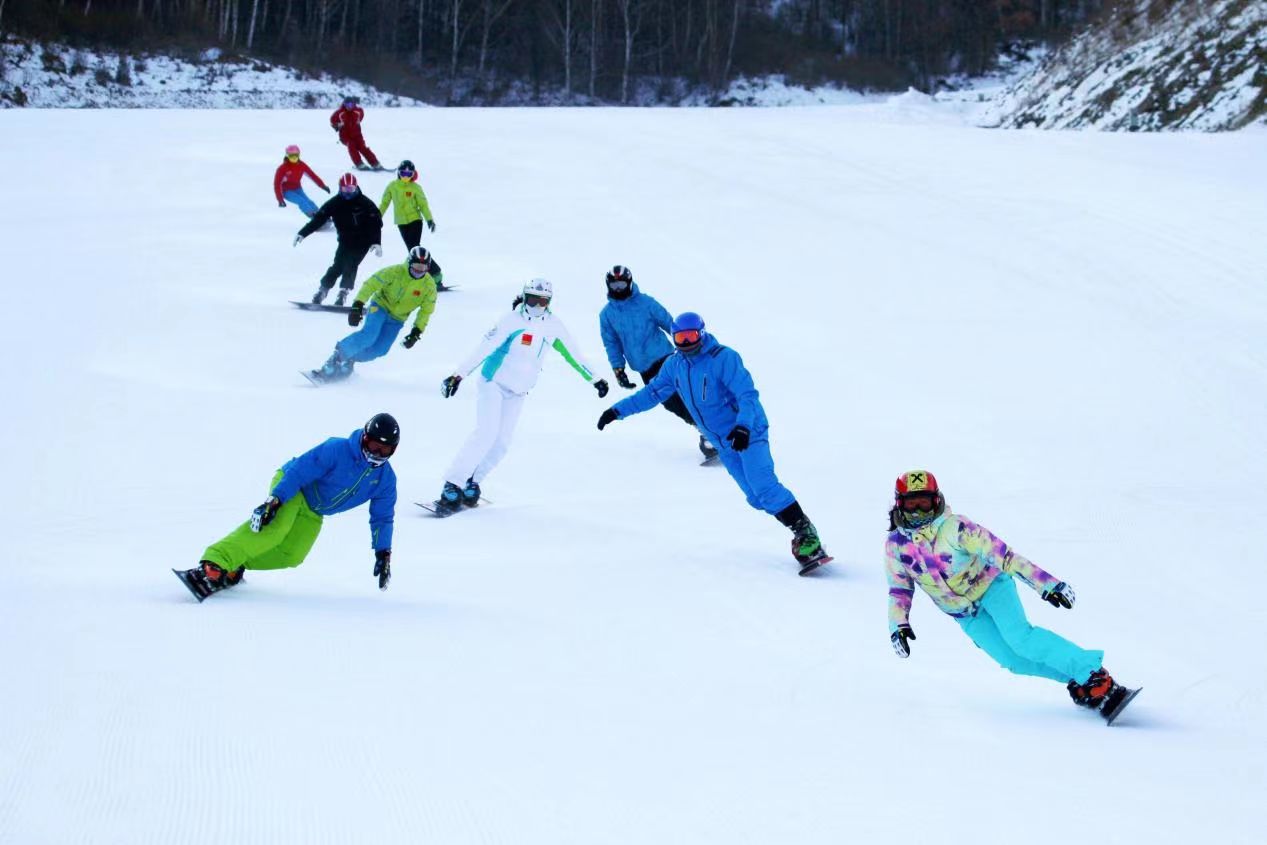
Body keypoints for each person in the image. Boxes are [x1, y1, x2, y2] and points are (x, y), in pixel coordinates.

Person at [884, 470, 1137, 722]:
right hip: (964, 613)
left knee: (1021, 639)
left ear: (936, 501)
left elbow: (1003, 556)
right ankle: (1080, 682)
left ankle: (1094, 675)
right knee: (1012, 660)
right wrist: (899, 625)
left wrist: (1047, 585)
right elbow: (899, 589)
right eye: (912, 505)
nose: (918, 512)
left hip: (993, 588)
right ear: (899, 505)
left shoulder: (956, 528)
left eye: (924, 504)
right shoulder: (896, 546)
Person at [596, 312, 829, 575]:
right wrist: (617, 411)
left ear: (702, 333)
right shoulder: (674, 366)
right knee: (755, 497)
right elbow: (652, 393)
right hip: (724, 442)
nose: (686, 343)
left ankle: (807, 534)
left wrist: (743, 426)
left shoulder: (723, 358)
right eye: (680, 338)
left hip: (748, 431)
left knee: (764, 486)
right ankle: (799, 533)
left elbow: (747, 395)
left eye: (691, 336)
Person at [173, 414, 400, 601]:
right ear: (364, 438)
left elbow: (383, 518)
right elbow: (300, 471)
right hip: (293, 488)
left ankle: (234, 565)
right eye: (372, 445)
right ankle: (213, 564)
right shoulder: (337, 449)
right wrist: (275, 501)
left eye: (384, 450)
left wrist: (383, 552)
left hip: (314, 511)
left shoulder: (385, 480)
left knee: (292, 555)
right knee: (276, 529)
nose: (376, 453)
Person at [433, 278, 609, 515]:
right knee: (486, 433)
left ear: (549, 302)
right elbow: (483, 348)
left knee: (502, 443)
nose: (536, 306)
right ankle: (452, 483)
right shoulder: (510, 321)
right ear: (525, 298)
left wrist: (595, 379)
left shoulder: (553, 326)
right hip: (493, 383)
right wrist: (457, 376)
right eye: (532, 300)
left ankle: (472, 480)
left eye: (542, 301)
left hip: (518, 392)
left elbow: (574, 355)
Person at [597, 265, 715, 460]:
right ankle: (705, 428)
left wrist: (688, 346)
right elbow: (611, 343)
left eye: (622, 284)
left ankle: (712, 430)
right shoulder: (606, 315)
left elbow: (670, 323)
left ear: (629, 282)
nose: (619, 289)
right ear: (609, 285)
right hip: (644, 367)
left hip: (666, 357)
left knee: (685, 395)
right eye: (615, 285)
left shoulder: (646, 303)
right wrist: (618, 369)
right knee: (670, 403)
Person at [309, 246, 439, 384]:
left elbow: (426, 311)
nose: (419, 270)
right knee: (369, 335)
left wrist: (416, 332)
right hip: (380, 306)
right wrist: (358, 305)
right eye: (416, 266)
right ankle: (337, 358)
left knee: (380, 349)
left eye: (423, 267)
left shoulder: (429, 286)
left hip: (397, 319)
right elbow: (371, 284)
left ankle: (350, 359)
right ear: (409, 262)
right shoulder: (394, 272)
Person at [294, 173, 384, 307]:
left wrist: (376, 242)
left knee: (350, 264)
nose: (348, 192)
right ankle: (323, 290)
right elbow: (319, 219)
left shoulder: (365, 203)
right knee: (337, 267)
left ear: (356, 188)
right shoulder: (334, 203)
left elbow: (376, 223)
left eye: (351, 189)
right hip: (345, 241)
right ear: (340, 188)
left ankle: (343, 292)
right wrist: (302, 233)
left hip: (363, 242)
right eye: (345, 189)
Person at [379, 159, 439, 257]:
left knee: (414, 248)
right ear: (398, 173)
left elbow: (423, 205)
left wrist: (429, 219)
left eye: (409, 174)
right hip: (401, 222)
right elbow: (384, 203)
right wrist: (377, 217)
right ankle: (420, 268)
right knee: (411, 250)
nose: (406, 177)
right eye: (403, 173)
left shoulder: (415, 188)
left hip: (415, 220)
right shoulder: (392, 187)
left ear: (413, 174)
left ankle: (433, 270)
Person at [273, 144, 329, 218]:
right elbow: (277, 184)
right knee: (302, 202)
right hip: (286, 191)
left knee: (309, 201)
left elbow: (312, 175)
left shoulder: (301, 165)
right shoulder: (282, 168)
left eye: (296, 155)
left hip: (297, 188)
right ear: (287, 156)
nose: (294, 158)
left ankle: (322, 217)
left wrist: (322, 185)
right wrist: (280, 199)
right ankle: (314, 219)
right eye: (291, 156)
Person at [330, 94, 382, 171]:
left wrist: (358, 120)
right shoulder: (339, 113)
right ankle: (359, 163)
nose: (349, 106)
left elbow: (361, 115)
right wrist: (337, 125)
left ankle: (375, 163)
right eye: (347, 104)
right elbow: (332, 121)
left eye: (351, 104)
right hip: (345, 137)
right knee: (352, 146)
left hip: (357, 135)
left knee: (363, 148)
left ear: (354, 104)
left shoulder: (358, 111)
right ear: (344, 104)